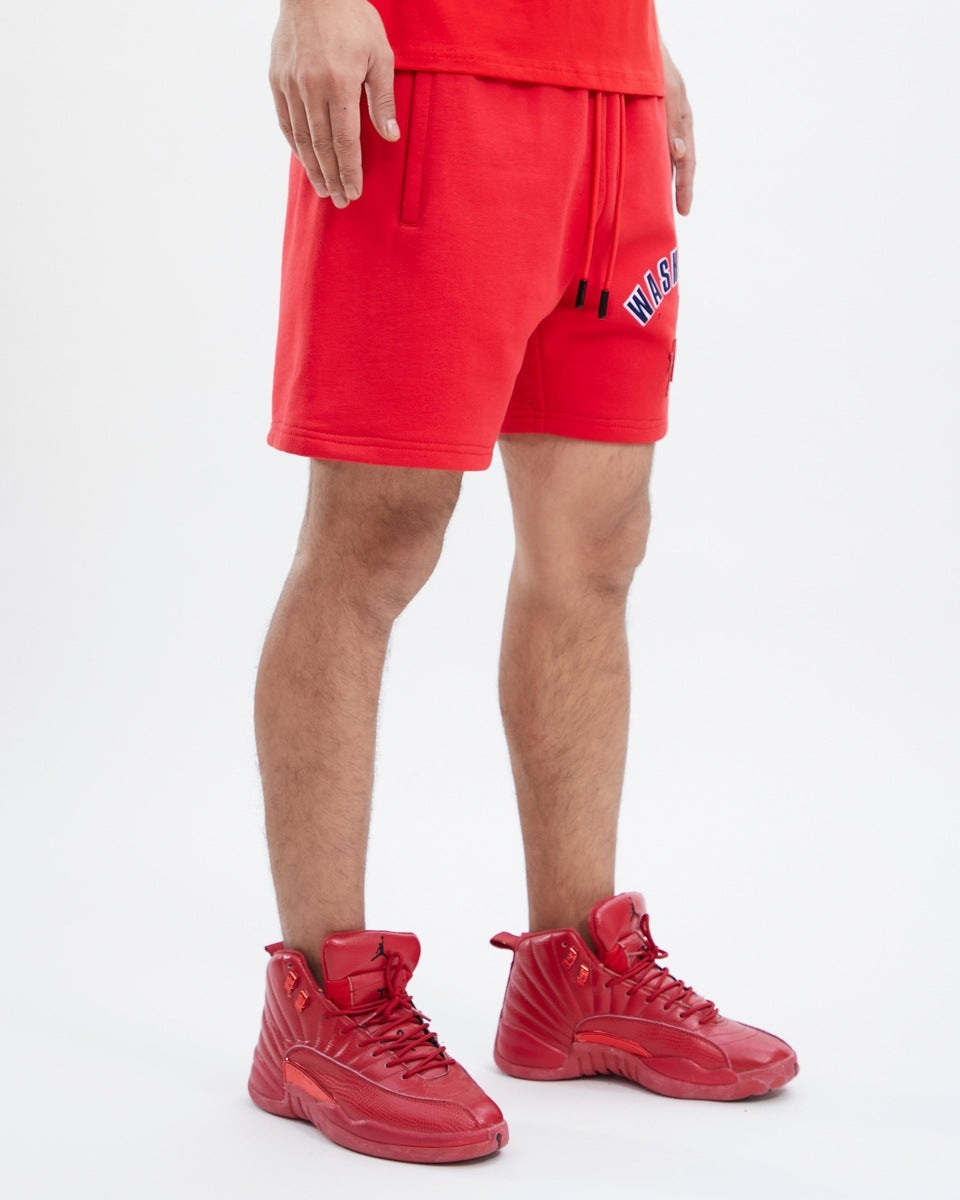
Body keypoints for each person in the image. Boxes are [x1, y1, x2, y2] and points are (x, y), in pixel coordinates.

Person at [248, 0, 797, 1164]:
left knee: (597, 544)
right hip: (428, 81)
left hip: (609, 99)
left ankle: (576, 973)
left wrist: (637, 49)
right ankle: (321, 1001)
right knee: (376, 538)